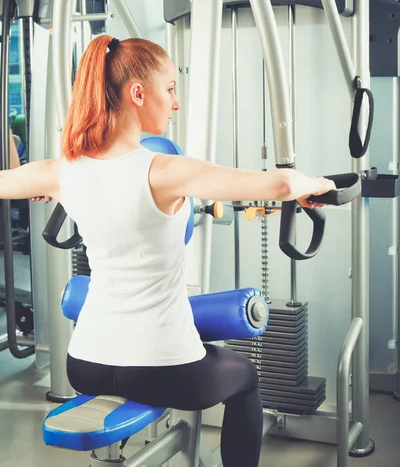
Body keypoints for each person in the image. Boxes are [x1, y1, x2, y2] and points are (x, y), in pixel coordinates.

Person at [0, 35, 335, 466]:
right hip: (163, 369)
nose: (175, 103)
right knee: (246, 377)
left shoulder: (60, 171)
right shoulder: (166, 171)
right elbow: (284, 185)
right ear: (138, 94)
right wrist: (318, 185)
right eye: (171, 89)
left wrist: (54, 189)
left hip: (83, 363)